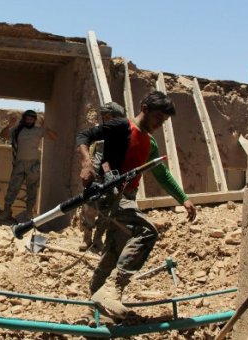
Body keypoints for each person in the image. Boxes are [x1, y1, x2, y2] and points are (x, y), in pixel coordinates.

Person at [76, 91, 196, 320]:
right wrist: (87, 163)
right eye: (158, 117)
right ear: (145, 108)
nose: (160, 124)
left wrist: (183, 198)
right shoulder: (122, 127)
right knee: (147, 231)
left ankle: (96, 309)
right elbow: (85, 136)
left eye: (164, 121)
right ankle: (113, 289)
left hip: (128, 197)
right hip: (111, 195)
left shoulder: (149, 143)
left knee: (114, 252)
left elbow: (161, 174)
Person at [79, 102, 127, 252]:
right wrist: (87, 163)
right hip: (96, 178)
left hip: (113, 179)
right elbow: (84, 140)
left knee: (106, 213)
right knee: (89, 210)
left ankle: (98, 240)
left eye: (110, 117)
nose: (107, 120)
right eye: (105, 117)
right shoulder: (101, 133)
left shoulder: (123, 134)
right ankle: (87, 239)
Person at [0, 110, 56, 221]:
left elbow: (54, 137)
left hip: (33, 165)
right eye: (27, 119)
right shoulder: (18, 129)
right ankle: (6, 212)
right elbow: (3, 135)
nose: (29, 121)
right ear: (24, 119)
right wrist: (9, 125)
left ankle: (29, 213)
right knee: (13, 188)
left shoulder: (39, 131)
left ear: (34, 120)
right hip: (19, 164)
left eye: (31, 119)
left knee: (32, 189)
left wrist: (45, 127)